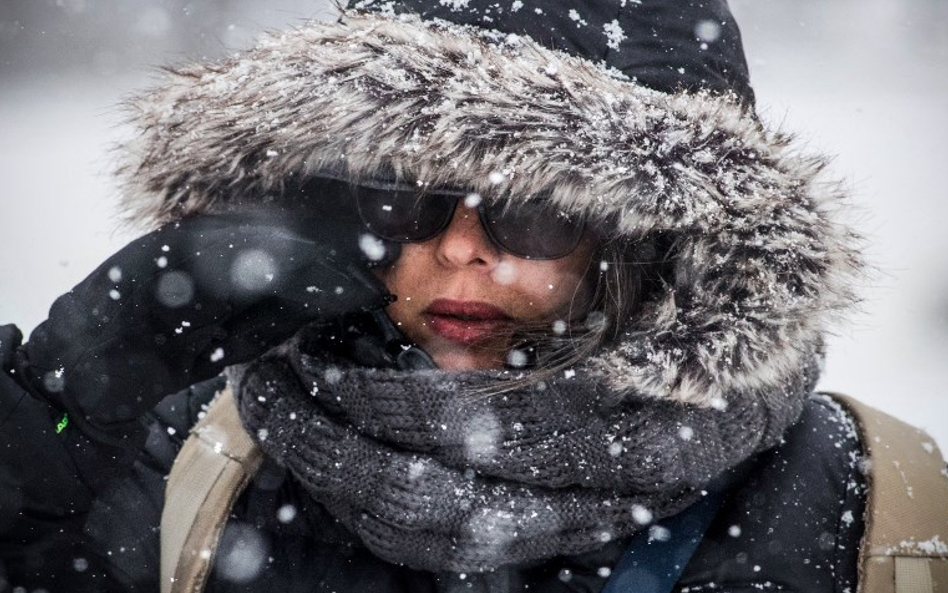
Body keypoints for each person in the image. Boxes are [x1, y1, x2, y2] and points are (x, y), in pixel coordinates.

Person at [0, 0, 897, 590]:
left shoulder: (861, 504)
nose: (462, 249)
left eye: (536, 211)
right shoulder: (193, 452)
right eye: (403, 195)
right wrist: (38, 445)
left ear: (649, 243)